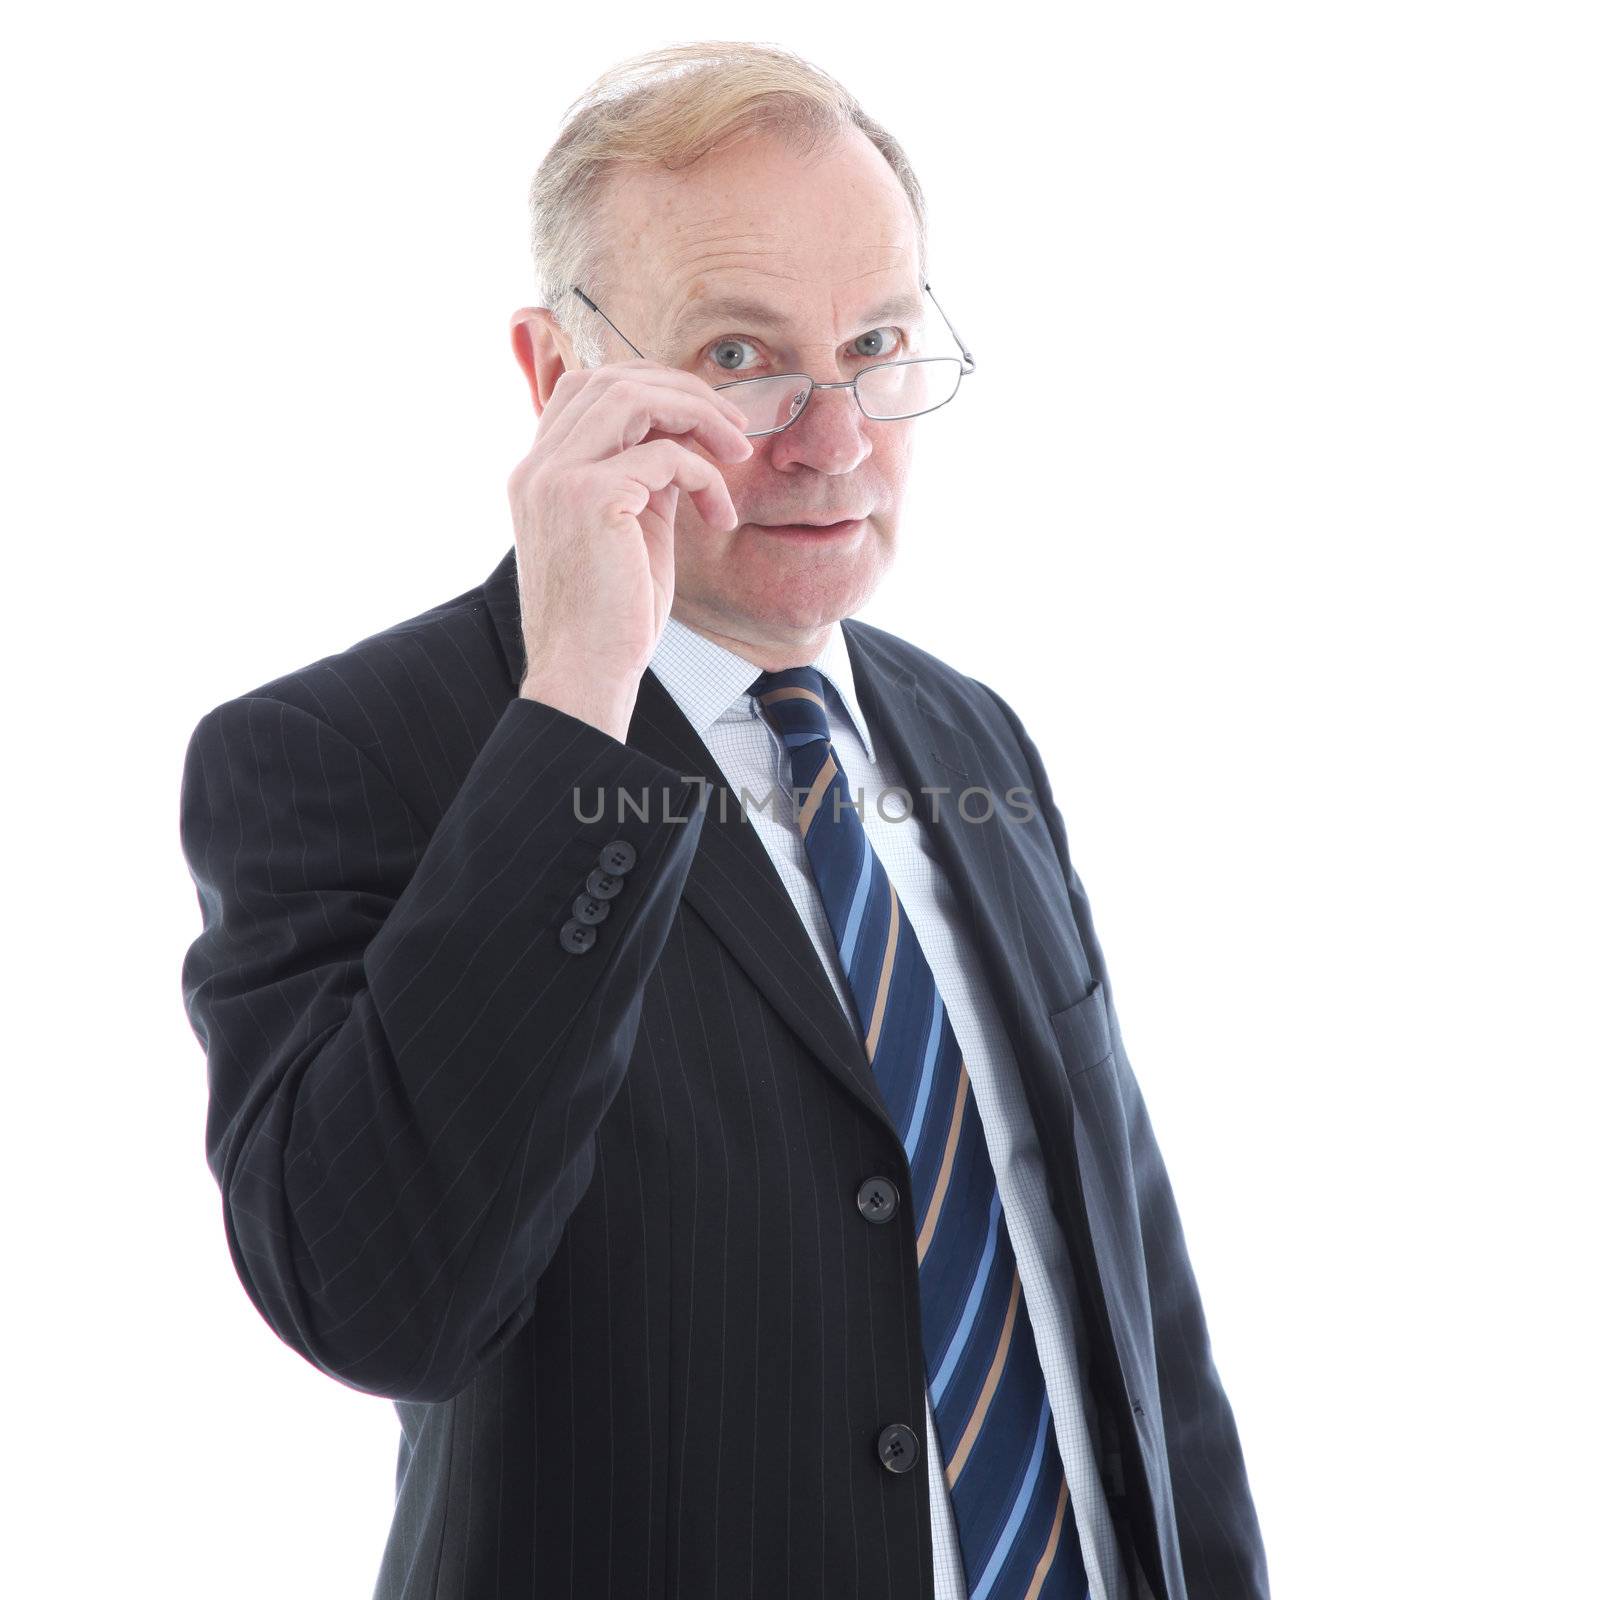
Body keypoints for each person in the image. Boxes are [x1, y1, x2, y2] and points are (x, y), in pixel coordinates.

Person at [178, 41, 1269, 1600]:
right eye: (742, 359)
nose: (834, 442)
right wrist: (575, 702)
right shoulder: (341, 753)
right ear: (560, 380)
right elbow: (381, 1303)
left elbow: (1129, 1296)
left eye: (876, 342)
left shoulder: (973, 734)